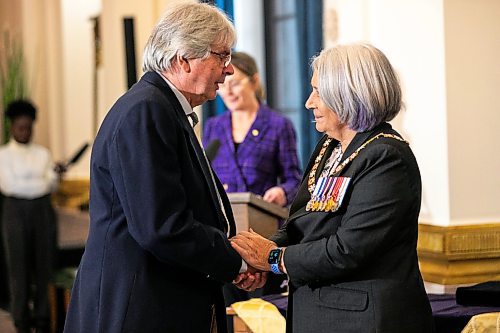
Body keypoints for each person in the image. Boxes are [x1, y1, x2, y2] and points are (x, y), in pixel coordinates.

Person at [63, 3, 263, 333]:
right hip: (138, 308)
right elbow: (163, 226)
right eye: (221, 56)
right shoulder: (146, 111)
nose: (228, 70)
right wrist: (236, 261)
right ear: (183, 58)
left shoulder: (160, 108)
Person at [231, 43, 435, 332]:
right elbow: (302, 223)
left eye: (318, 91)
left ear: (348, 93)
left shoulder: (386, 157)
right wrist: (264, 258)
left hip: (364, 321)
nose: (309, 102)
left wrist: (274, 258)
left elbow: (348, 249)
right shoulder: (330, 146)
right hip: (320, 313)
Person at [203, 51, 301, 207]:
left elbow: (294, 181)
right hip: (221, 220)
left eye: (234, 84)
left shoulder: (278, 125)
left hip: (261, 220)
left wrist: (282, 192)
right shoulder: (213, 126)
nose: (227, 92)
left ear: (254, 81)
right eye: (222, 84)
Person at [0, 100, 64, 333]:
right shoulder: (3, 155)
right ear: (12, 128)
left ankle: (44, 317)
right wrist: (41, 183)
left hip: (42, 213)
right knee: (18, 267)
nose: (24, 132)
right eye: (20, 127)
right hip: (14, 212)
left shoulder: (42, 154)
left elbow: (52, 185)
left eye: (28, 127)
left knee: (45, 265)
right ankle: (21, 319)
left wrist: (43, 183)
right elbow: (10, 186)